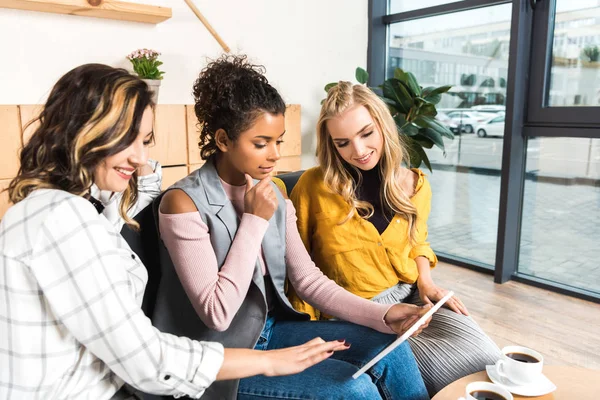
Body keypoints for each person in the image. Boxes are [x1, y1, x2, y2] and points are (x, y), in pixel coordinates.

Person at [0, 63, 349, 400]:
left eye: (146, 141)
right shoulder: (60, 219)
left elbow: (307, 279)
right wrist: (271, 362)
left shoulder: (81, 212)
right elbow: (148, 360)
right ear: (82, 132)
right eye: (126, 140)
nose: (139, 158)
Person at [153, 55, 431, 400]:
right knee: (354, 390)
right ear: (223, 140)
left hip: (275, 330)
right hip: (217, 358)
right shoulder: (182, 202)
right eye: (260, 143)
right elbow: (217, 313)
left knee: (391, 349)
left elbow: (308, 281)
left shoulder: (272, 193)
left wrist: (384, 314)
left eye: (278, 141)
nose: (274, 156)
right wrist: (254, 220)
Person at [287, 81, 503, 396]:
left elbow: (418, 241)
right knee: (452, 381)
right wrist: (306, 331)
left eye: (366, 134)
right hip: (355, 312)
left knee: (490, 363)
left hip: (413, 295)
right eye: (343, 142)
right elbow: (299, 267)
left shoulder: (414, 183)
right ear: (331, 144)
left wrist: (427, 283)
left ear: (383, 127)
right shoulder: (313, 187)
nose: (358, 151)